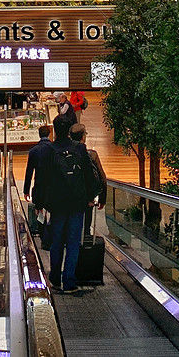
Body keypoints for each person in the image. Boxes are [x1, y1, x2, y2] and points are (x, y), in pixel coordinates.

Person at [45, 116, 100, 293]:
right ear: (69, 131)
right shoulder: (79, 148)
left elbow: (44, 179)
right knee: (73, 242)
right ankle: (69, 281)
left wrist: (41, 201)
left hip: (57, 203)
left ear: (54, 129)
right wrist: (91, 196)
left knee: (57, 241)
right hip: (77, 202)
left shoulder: (50, 150)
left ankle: (54, 278)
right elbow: (88, 175)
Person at [76, 124, 107, 237]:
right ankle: (86, 236)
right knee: (87, 221)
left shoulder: (64, 154)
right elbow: (102, 178)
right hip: (88, 195)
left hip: (70, 197)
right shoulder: (91, 155)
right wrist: (102, 198)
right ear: (83, 137)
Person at [23, 124, 54, 209]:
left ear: (39, 135)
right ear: (49, 134)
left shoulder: (34, 151)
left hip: (39, 187)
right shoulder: (54, 149)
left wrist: (26, 191)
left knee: (39, 214)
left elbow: (29, 172)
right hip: (53, 187)